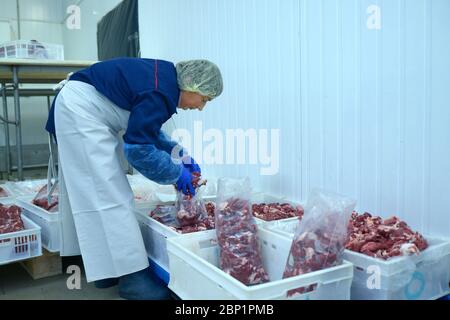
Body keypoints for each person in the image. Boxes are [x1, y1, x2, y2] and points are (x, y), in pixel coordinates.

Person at [45, 58, 223, 300]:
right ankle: (133, 279)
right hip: (81, 112)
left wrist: (180, 155)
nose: (202, 107)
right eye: (205, 99)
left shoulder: (165, 81)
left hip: (81, 107)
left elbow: (145, 128)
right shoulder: (162, 90)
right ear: (194, 87)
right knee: (110, 195)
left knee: (92, 193)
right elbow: (138, 150)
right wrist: (175, 173)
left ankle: (106, 271)